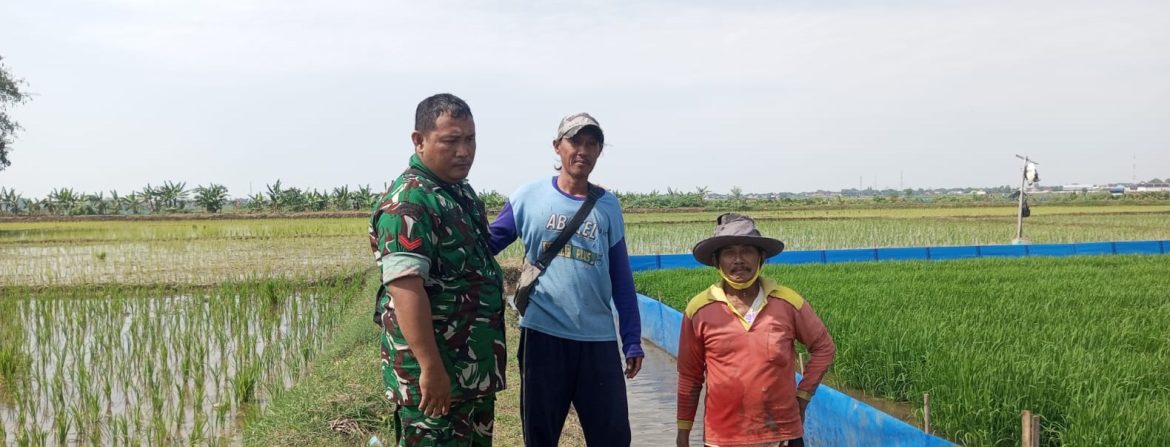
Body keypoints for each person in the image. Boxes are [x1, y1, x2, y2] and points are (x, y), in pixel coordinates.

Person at [488, 112, 643, 446]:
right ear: (557, 147)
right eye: (575, 142)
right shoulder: (527, 197)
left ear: (599, 151)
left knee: (613, 436)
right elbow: (484, 247)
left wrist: (631, 338)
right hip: (543, 337)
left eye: (592, 144)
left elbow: (621, 278)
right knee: (541, 436)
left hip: (598, 339)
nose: (583, 151)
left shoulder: (608, 206)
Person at [369, 93, 505, 446]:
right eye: (451, 140)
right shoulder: (411, 201)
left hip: (470, 372)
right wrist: (430, 367)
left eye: (470, 139)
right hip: (435, 378)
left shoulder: (460, 193)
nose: (464, 151)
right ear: (419, 141)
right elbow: (405, 289)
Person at [676, 213, 836, 447]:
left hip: (782, 435)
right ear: (716, 260)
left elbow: (824, 348)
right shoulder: (699, 309)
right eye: (729, 252)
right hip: (723, 438)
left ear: (761, 257)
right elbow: (690, 377)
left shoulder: (788, 303)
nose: (738, 260)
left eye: (747, 251)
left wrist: (802, 398)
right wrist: (683, 433)